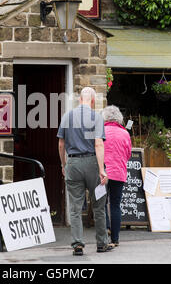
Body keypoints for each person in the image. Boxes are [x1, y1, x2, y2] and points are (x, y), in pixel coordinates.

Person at [57, 87, 113, 256]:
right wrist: (102, 170)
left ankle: (77, 244)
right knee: (99, 205)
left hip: (73, 162)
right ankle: (102, 243)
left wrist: (63, 164)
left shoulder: (67, 116)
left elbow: (61, 144)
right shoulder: (96, 117)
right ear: (93, 101)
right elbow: (98, 144)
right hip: (92, 163)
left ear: (80, 99)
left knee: (74, 207)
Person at [102, 105, 132, 246]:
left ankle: (106, 228)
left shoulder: (101, 131)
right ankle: (115, 239)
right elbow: (128, 154)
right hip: (119, 172)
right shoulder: (125, 133)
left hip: (103, 172)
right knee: (115, 205)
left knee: (101, 204)